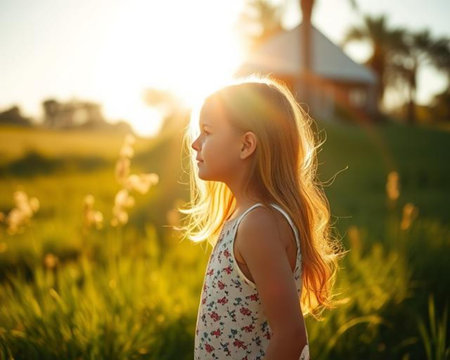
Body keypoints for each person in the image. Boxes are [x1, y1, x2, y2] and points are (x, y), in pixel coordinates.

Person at [179, 75, 344, 360]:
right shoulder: (243, 217)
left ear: (246, 145)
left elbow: (291, 335)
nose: (195, 144)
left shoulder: (258, 225)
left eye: (207, 131)